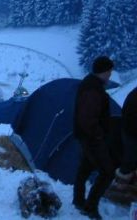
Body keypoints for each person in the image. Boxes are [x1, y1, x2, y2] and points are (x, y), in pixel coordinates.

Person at [72, 56, 116, 220]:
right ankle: (90, 207)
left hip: (87, 136)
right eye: (109, 71)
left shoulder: (92, 84)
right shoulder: (93, 89)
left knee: (85, 167)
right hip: (92, 138)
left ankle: (78, 200)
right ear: (103, 71)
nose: (110, 75)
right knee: (107, 172)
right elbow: (87, 118)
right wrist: (98, 135)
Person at [113, 87, 137, 185]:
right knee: (129, 163)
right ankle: (120, 187)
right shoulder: (134, 98)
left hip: (129, 131)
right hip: (131, 133)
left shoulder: (133, 94)